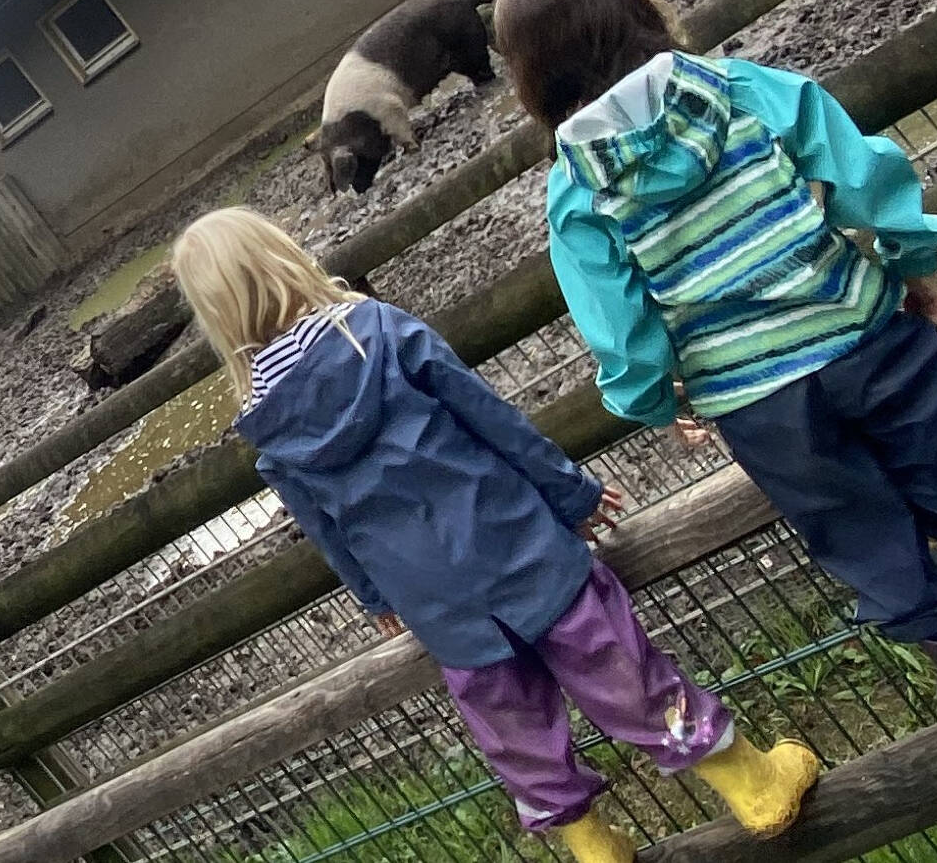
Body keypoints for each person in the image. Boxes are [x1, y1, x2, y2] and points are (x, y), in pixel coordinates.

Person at [493, 0, 937, 755]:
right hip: (864, 332)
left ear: (532, 76)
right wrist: (906, 261)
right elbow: (869, 178)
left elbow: (616, 324)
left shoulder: (575, 190)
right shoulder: (742, 90)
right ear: (633, 6)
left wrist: (655, 394)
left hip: (758, 401)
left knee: (857, 530)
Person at [171, 207, 820, 863]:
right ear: (282, 258)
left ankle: (592, 846)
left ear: (217, 314)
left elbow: (329, 532)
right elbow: (490, 420)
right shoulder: (377, 331)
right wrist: (571, 493)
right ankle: (752, 784)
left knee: (512, 725)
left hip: (439, 605)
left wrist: (376, 599)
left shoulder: (268, 429)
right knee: (617, 666)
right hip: (518, 546)